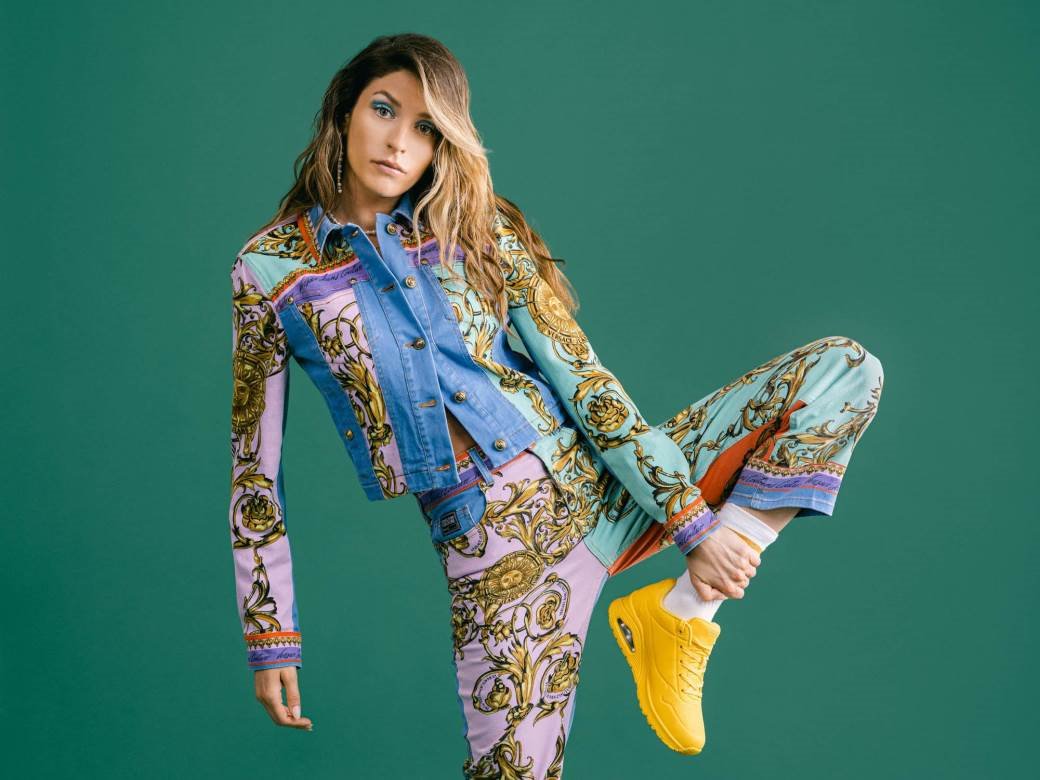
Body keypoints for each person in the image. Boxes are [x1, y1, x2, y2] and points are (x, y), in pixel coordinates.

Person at [227, 32, 884, 778]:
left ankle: (682, 616)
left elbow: (586, 382)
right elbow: (255, 474)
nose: (399, 141)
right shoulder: (270, 271)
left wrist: (694, 527)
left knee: (844, 372)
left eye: (426, 126)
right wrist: (270, 636)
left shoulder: (476, 226)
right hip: (498, 558)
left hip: (610, 487)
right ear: (345, 111)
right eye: (384, 110)